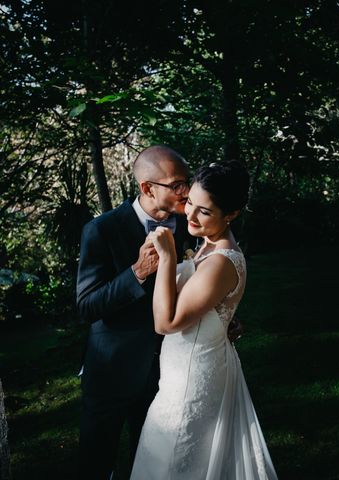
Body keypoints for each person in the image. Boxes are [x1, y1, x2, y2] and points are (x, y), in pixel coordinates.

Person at [130, 161, 278, 479]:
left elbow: (166, 323)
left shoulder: (222, 261)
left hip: (192, 380)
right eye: (191, 204)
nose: (191, 217)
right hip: (181, 371)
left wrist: (169, 259)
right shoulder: (206, 244)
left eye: (205, 212)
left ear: (231, 215)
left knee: (177, 458)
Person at [76, 145, 195, 479]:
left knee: (156, 465)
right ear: (148, 188)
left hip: (170, 370)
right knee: (97, 464)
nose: (187, 191)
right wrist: (137, 272)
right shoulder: (101, 230)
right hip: (112, 369)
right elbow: (87, 306)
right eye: (177, 185)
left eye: (188, 181)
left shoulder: (192, 226)